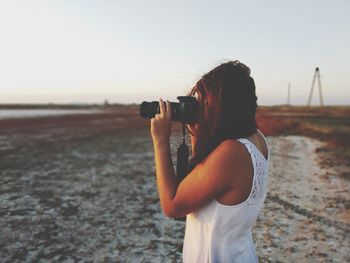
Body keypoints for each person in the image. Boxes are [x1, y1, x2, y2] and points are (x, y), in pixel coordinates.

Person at [150, 60, 269, 262]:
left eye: (205, 101)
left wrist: (161, 140)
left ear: (223, 104)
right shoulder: (256, 138)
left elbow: (172, 206)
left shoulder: (231, 152)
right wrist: (198, 132)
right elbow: (204, 173)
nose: (201, 106)